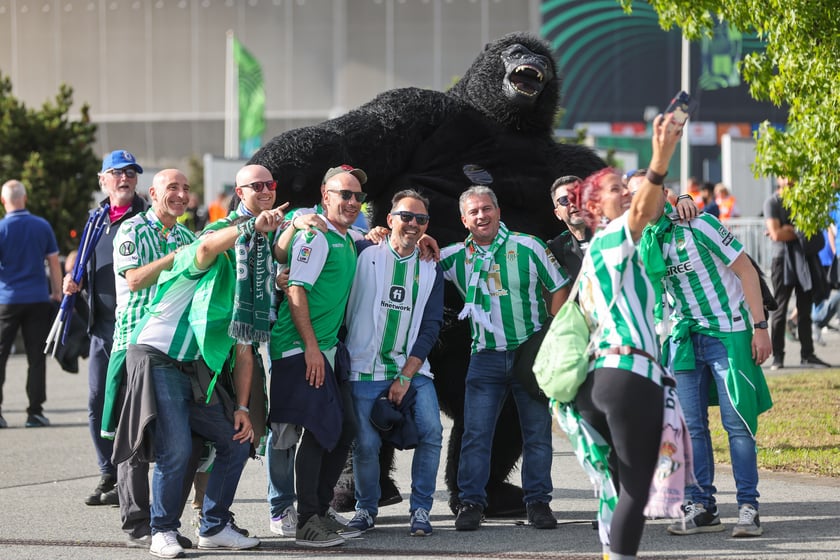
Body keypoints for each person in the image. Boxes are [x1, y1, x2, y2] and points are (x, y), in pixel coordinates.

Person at [123, 169, 284, 557]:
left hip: (194, 370)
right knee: (175, 448)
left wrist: (243, 408)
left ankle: (214, 526)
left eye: (270, 186)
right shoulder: (203, 255)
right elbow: (210, 245)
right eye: (256, 186)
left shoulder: (252, 279)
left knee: (236, 441)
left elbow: (244, 350)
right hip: (157, 357)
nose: (265, 191)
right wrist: (247, 229)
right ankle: (162, 530)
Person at [568, 112, 683, 559]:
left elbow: (648, 208)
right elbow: (640, 210)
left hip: (596, 384)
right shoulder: (614, 236)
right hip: (628, 374)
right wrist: (661, 157)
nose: (627, 191)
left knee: (615, 488)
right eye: (617, 187)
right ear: (597, 207)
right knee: (637, 490)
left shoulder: (596, 253)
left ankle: (608, 551)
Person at [440, 185, 569, 531]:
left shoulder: (529, 247)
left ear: (498, 211)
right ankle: (471, 503)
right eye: (474, 212)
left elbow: (559, 287)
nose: (481, 215)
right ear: (464, 219)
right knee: (476, 434)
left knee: (537, 433)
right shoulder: (453, 256)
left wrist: (548, 336)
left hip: (528, 354)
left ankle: (538, 502)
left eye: (486, 208)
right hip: (485, 357)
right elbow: (411, 259)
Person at [647, 198, 773, 538]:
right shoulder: (643, 239)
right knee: (691, 429)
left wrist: (760, 328)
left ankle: (749, 507)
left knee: (738, 424)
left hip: (728, 334)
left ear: (662, 194)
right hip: (684, 339)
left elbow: (746, 269)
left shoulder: (700, 225)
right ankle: (701, 506)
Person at [268, 165, 365, 547]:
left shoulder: (345, 236)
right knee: (319, 432)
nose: (353, 201)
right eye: (345, 194)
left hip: (326, 349)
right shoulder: (316, 234)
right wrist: (310, 347)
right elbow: (296, 289)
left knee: (344, 431)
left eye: (358, 196)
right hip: (300, 349)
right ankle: (306, 520)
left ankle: (320, 510)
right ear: (325, 197)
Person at [101, 169, 197, 548]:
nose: (181, 194)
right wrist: (175, 259)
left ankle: (165, 522)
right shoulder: (133, 230)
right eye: (172, 187)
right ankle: (138, 524)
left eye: (186, 189)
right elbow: (134, 279)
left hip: (175, 349)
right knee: (134, 438)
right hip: (134, 345)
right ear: (153, 193)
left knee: (183, 441)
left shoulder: (188, 235)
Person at [344, 189, 444, 536]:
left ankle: (420, 510)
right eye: (406, 216)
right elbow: (333, 233)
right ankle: (366, 510)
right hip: (363, 367)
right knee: (368, 445)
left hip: (410, 370)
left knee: (432, 432)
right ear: (389, 220)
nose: (413, 224)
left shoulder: (432, 265)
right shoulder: (362, 251)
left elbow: (431, 327)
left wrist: (405, 376)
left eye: (421, 219)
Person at [63, 149, 149, 506]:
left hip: (139, 327)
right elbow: (83, 258)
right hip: (102, 327)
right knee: (97, 400)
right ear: (103, 180)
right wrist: (73, 278)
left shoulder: (147, 219)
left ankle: (131, 476)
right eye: (117, 173)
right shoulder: (96, 220)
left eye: (130, 172)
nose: (124, 178)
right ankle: (107, 472)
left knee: (133, 404)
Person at [0, 179, 62, 429]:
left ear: (4, 201)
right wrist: (57, 292)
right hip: (37, 298)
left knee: (1, 355)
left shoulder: (2, 228)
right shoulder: (41, 226)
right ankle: (35, 412)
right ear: (24, 198)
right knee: (36, 357)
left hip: (7, 300)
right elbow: (54, 262)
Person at [764, 177, 830, 369]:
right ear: (778, 178)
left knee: (804, 309)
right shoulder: (772, 202)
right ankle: (778, 356)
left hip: (804, 258)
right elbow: (776, 234)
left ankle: (807, 354)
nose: (790, 179)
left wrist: (790, 230)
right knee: (779, 309)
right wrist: (798, 230)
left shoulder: (804, 201)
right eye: (785, 174)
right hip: (782, 260)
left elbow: (814, 231)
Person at [547, 175, 591, 280]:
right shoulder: (555, 249)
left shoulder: (610, 233)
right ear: (557, 213)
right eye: (564, 200)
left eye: (577, 196)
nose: (572, 203)